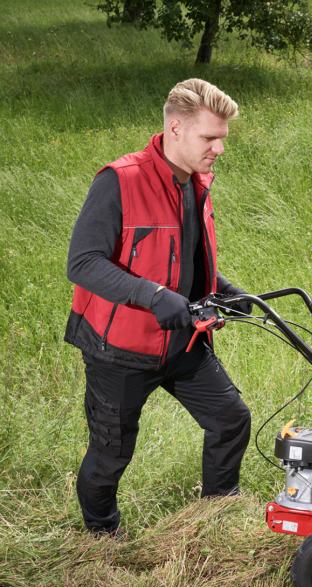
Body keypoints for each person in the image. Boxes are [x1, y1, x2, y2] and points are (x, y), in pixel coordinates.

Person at [65, 78, 252, 536]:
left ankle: (215, 516)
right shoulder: (120, 181)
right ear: (175, 128)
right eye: (210, 138)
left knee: (230, 419)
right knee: (111, 454)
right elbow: (83, 263)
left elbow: (181, 257)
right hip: (120, 350)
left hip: (182, 342)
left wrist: (224, 288)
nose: (219, 149)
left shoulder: (195, 183)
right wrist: (152, 296)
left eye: (222, 138)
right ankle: (101, 535)